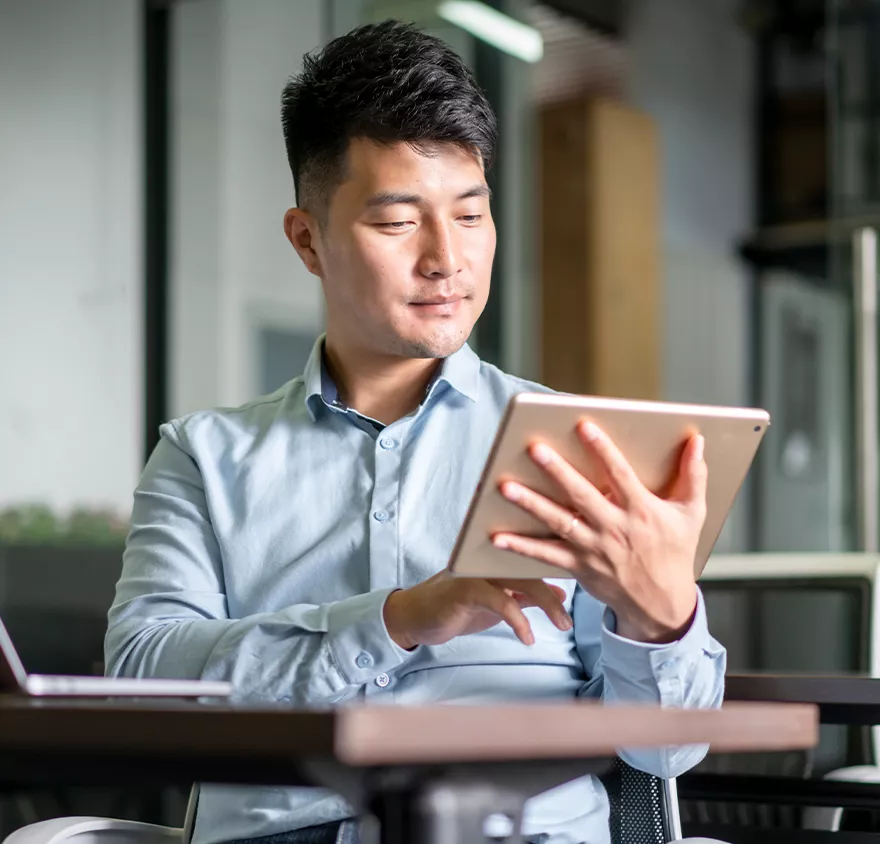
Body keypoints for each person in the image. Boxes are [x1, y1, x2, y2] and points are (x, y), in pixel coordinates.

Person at [105, 20, 728, 844]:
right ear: (308, 241)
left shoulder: (575, 447)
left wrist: (660, 620)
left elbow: (668, 755)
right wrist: (399, 619)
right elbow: (143, 682)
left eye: (470, 216)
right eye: (399, 223)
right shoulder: (204, 457)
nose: (447, 259)